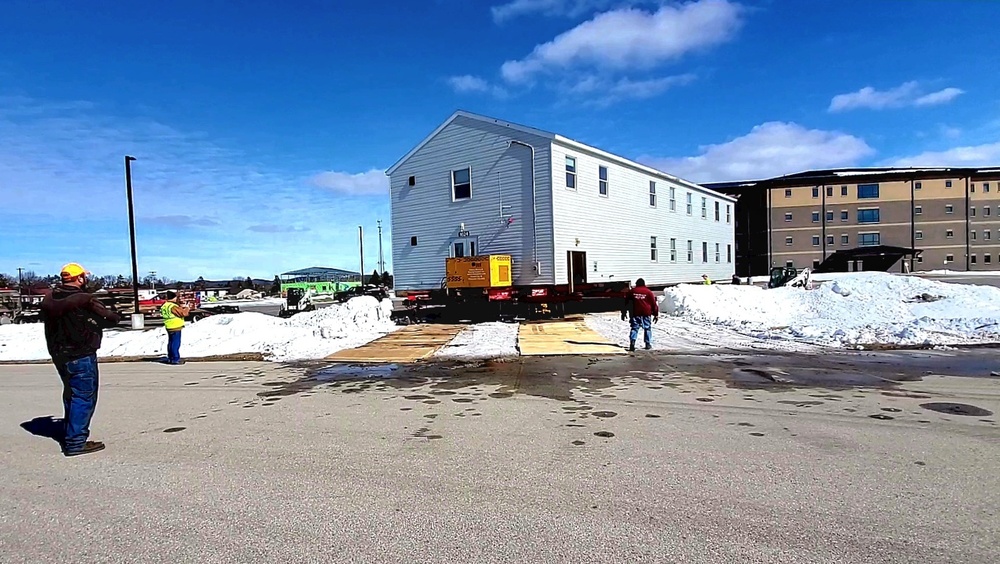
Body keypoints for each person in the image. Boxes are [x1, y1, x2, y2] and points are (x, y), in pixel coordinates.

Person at [40, 262, 121, 456]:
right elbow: (110, 318)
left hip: (58, 352)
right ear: (80, 278)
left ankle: (71, 432)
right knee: (84, 396)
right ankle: (76, 441)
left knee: (71, 393)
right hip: (81, 352)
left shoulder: (49, 298)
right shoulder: (84, 299)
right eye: (84, 277)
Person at [620, 278, 659, 352]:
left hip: (635, 313)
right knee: (647, 328)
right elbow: (654, 304)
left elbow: (625, 303)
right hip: (646, 313)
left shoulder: (632, 291)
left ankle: (632, 342)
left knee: (634, 328)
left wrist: (624, 312)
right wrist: (655, 314)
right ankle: (647, 343)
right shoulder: (648, 292)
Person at [161, 291, 190, 365]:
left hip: (169, 326)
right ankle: (175, 359)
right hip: (175, 326)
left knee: (171, 343)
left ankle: (170, 358)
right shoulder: (172, 306)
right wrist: (187, 308)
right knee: (175, 343)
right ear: (173, 298)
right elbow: (183, 313)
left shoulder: (165, 305)